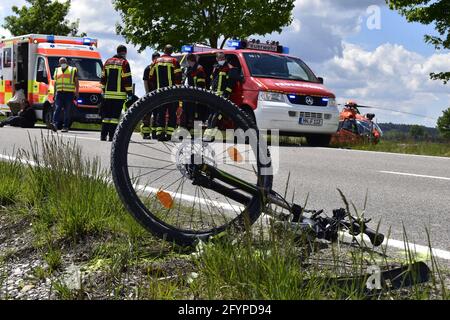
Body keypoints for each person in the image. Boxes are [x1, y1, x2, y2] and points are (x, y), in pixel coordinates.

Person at [148, 44, 182, 141]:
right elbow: (178, 77)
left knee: (160, 113)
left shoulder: (156, 61)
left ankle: (159, 134)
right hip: (172, 93)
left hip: (160, 92)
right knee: (172, 114)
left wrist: (155, 88)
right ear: (172, 51)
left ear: (164, 50)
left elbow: (151, 77)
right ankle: (169, 135)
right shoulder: (174, 61)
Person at [100, 45, 133, 141]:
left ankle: (103, 136)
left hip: (107, 95)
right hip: (119, 95)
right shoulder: (124, 63)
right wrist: (129, 93)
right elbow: (127, 79)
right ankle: (111, 136)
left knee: (106, 116)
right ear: (124, 52)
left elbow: (103, 78)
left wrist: (103, 91)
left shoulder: (107, 62)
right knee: (114, 118)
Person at [204, 52, 239, 141]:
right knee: (211, 115)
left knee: (216, 115)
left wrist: (226, 94)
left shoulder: (229, 68)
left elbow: (231, 83)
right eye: (219, 58)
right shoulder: (216, 67)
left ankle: (210, 135)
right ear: (216, 59)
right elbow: (213, 80)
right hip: (214, 95)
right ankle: (208, 135)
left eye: (222, 58)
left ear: (225, 58)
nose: (221, 60)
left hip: (222, 96)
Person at [51, 57, 79, 133]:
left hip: (69, 94)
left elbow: (76, 82)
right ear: (59, 63)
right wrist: (54, 93)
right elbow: (56, 83)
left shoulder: (72, 70)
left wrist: (77, 92)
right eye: (61, 62)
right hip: (59, 93)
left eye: (63, 61)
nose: (62, 63)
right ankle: (54, 124)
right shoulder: (57, 70)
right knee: (57, 108)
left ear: (66, 62)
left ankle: (65, 126)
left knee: (67, 111)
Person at [181, 53, 207, 131]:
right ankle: (188, 130)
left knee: (197, 114)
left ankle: (196, 133)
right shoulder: (189, 69)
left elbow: (201, 84)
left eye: (187, 61)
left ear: (189, 60)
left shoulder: (199, 69)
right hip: (188, 95)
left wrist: (198, 95)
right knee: (188, 114)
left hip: (196, 95)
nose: (187, 63)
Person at [141, 52, 160, 139]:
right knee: (147, 114)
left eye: (158, 58)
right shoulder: (148, 68)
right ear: (152, 59)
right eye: (156, 58)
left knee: (157, 114)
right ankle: (145, 133)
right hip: (150, 93)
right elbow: (145, 81)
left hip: (158, 93)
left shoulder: (160, 68)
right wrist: (147, 92)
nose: (157, 60)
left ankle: (155, 133)